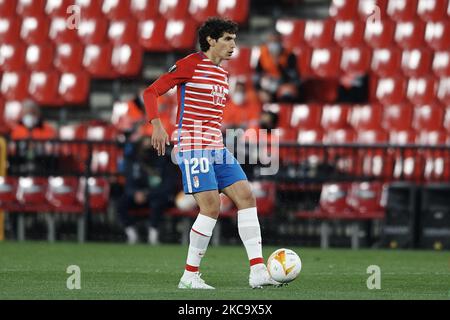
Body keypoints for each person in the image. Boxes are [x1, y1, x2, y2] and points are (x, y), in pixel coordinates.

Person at [142, 17, 281, 289]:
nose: (233, 45)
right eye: (227, 39)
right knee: (210, 207)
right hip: (192, 144)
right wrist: (156, 125)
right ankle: (189, 276)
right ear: (210, 40)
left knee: (246, 196)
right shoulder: (190, 64)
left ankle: (258, 271)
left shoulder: (223, 73)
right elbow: (151, 92)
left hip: (216, 145)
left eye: (234, 39)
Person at [118, 135, 176, 245]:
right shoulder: (134, 161)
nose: (147, 149)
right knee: (121, 203)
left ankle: (153, 233)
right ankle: (131, 233)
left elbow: (167, 186)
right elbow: (129, 182)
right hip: (137, 195)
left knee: (157, 203)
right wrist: (135, 193)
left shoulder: (164, 161)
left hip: (156, 195)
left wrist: (147, 194)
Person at [253, 31, 301, 103]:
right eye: (271, 41)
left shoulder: (289, 55)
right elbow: (257, 75)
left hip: (285, 83)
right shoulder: (263, 55)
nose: (274, 44)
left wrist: (279, 64)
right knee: (260, 95)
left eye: (276, 41)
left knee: (287, 93)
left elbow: (294, 78)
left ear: (280, 42)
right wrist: (259, 90)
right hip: (269, 83)